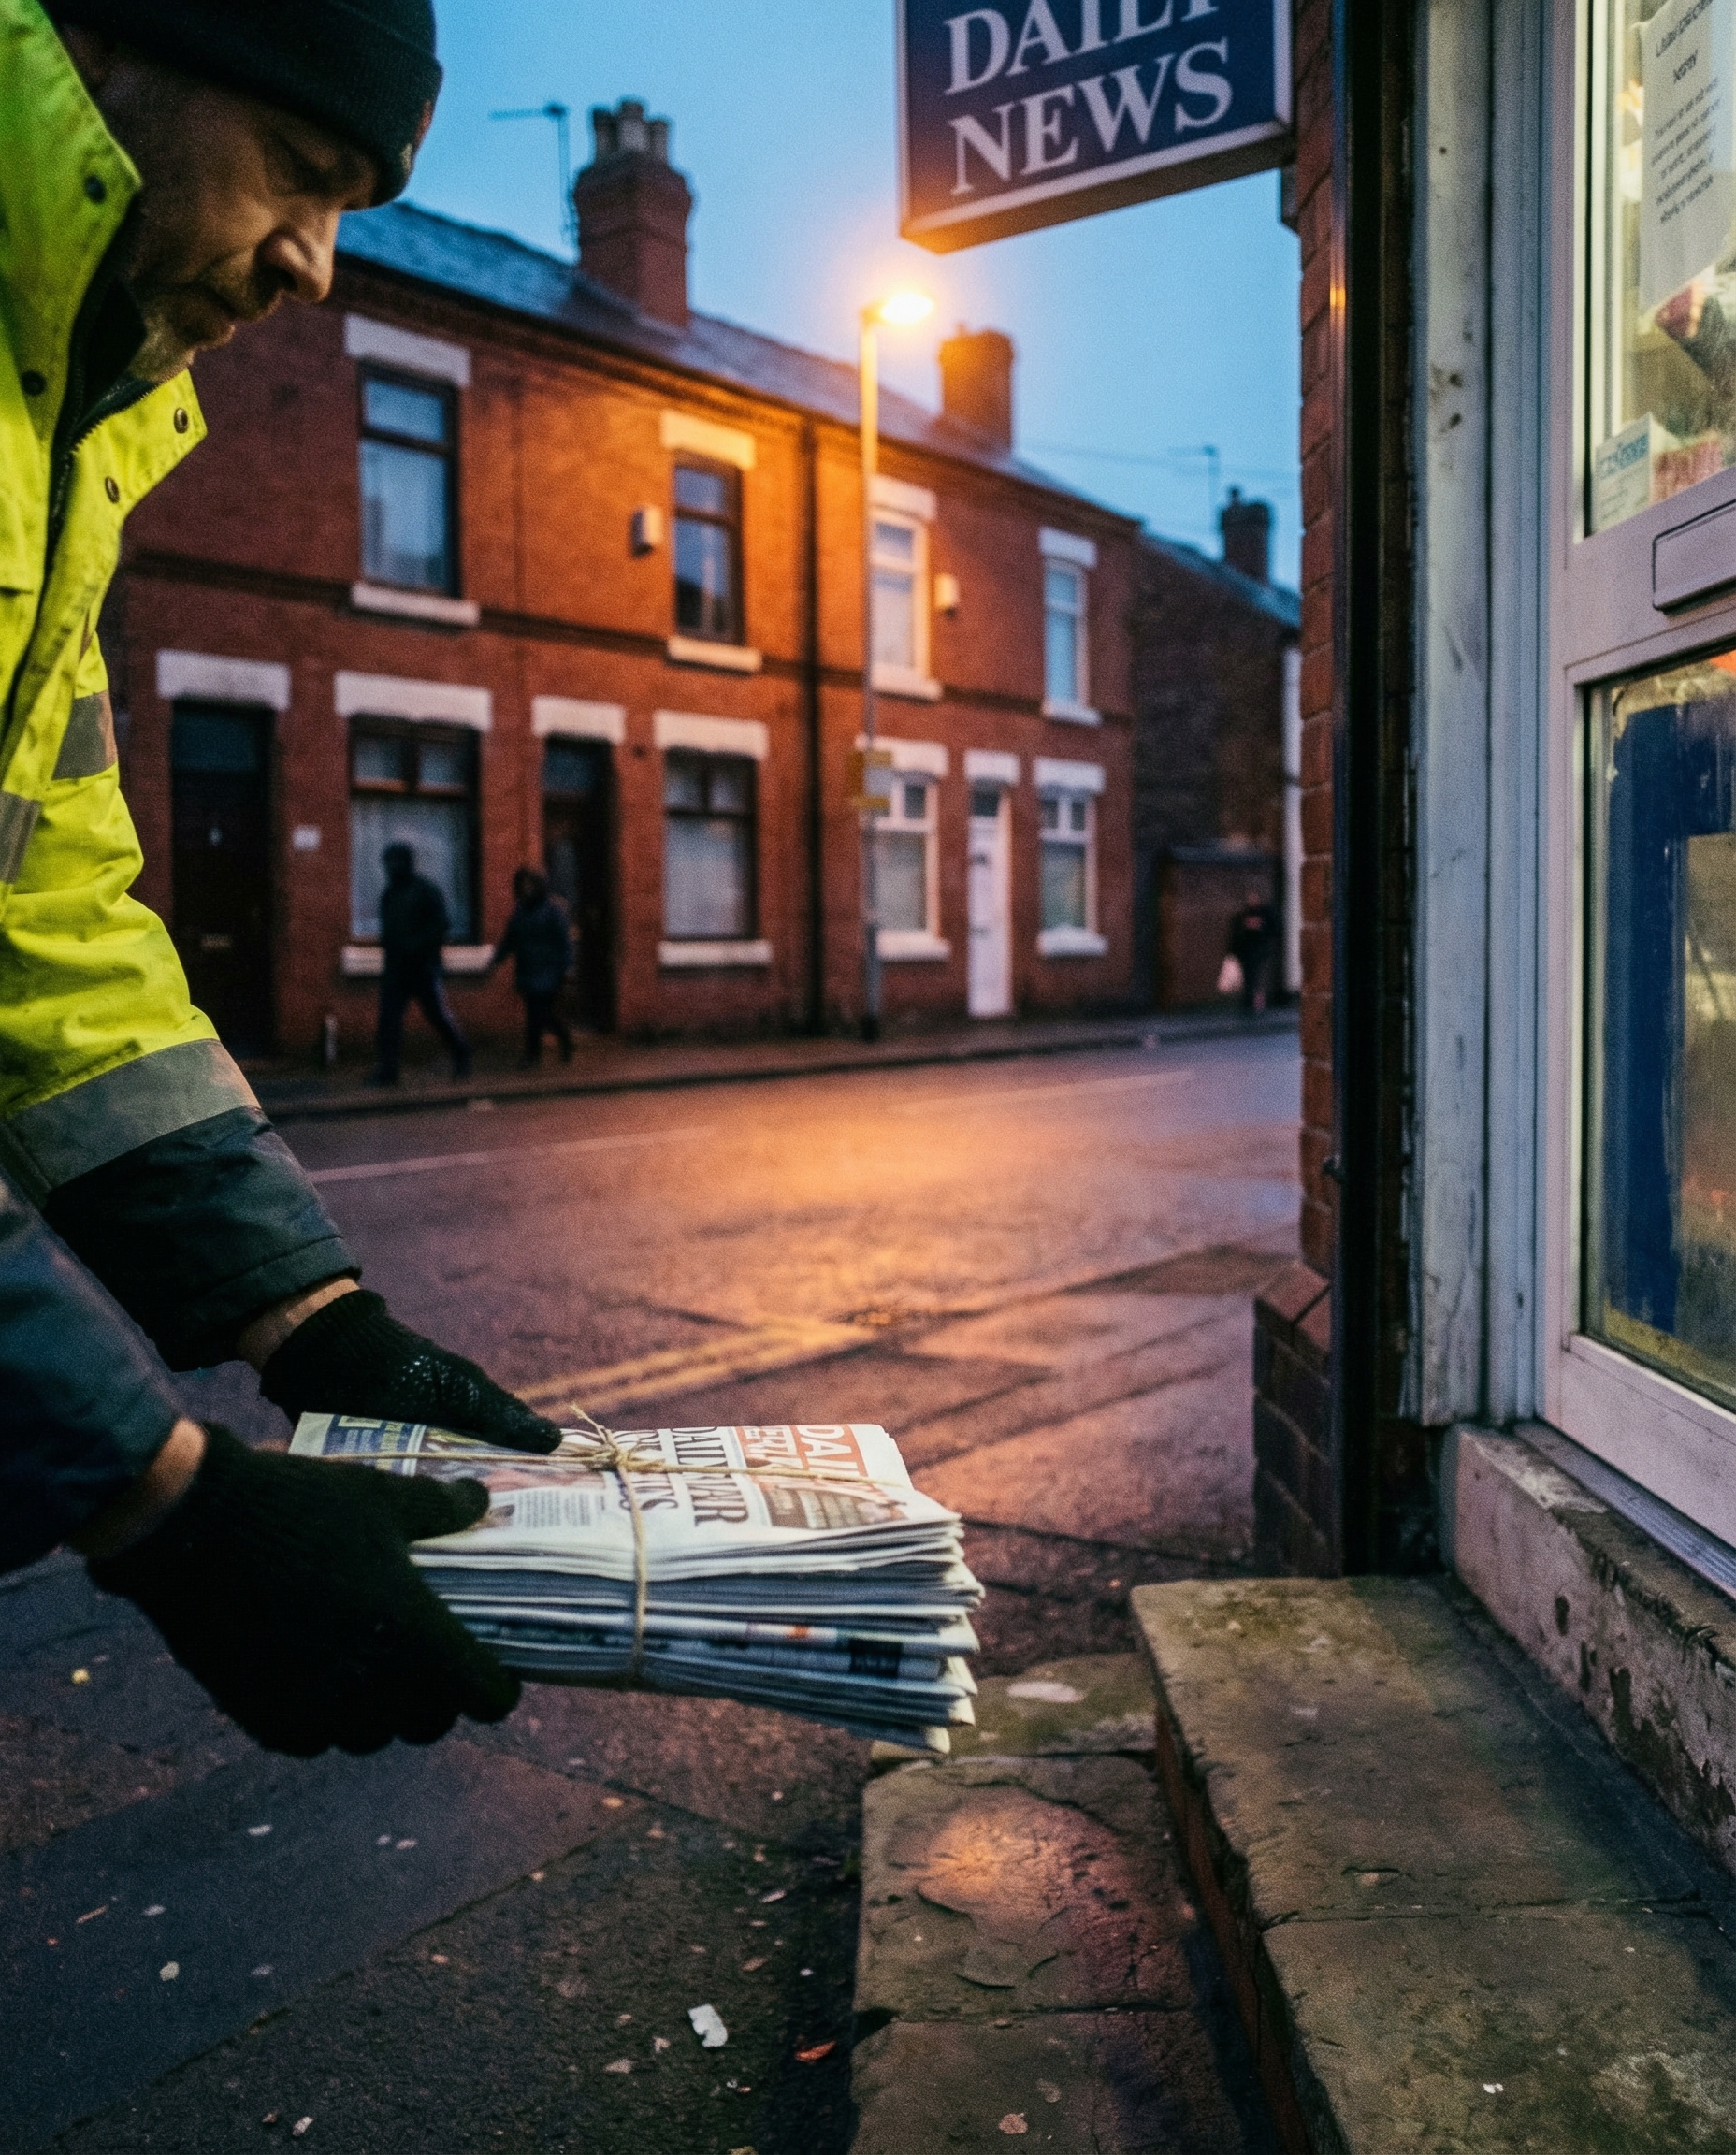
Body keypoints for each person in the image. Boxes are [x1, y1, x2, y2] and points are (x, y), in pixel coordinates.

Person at [0, 0, 567, 1761]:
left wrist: (308, 1318)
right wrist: (166, 1494)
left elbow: (47, 911)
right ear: (111, 45)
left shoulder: (68, 432)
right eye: (301, 171)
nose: (316, 265)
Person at [371, 843, 471, 1083]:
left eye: (396, 862)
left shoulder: (425, 890)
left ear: (407, 863)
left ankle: (461, 1052)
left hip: (422, 967)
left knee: (435, 1014)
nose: (391, 867)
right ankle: (388, 1070)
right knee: (389, 1019)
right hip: (397, 968)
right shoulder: (390, 894)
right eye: (389, 862)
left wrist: (416, 945)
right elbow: (388, 929)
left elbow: (441, 925)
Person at [490, 867, 574, 1067]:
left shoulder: (552, 910)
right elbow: (510, 938)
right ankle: (564, 1040)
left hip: (548, 969)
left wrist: (566, 968)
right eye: (523, 885)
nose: (526, 889)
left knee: (537, 1013)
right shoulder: (520, 910)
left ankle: (533, 1055)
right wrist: (497, 958)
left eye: (530, 885)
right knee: (539, 1013)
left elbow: (563, 942)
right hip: (527, 968)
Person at [1227, 889, 1279, 1015]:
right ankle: (1249, 1001)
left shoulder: (1265, 913)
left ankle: (1256, 1001)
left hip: (1258, 950)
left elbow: (1274, 929)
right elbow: (1236, 934)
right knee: (1249, 977)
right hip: (1246, 951)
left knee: (1256, 976)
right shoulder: (1242, 915)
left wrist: (1260, 927)